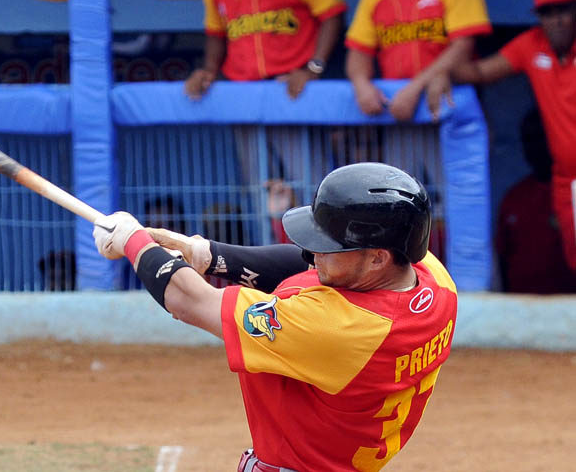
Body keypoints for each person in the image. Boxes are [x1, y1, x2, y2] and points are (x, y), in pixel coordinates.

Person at [93, 162, 458, 471]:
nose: (313, 251)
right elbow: (309, 268)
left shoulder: (335, 329)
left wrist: (134, 242)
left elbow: (189, 300)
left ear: (378, 257)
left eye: (328, 245)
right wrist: (208, 254)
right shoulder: (434, 281)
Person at [452, 0, 576, 275]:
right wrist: (453, 45)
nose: (556, 20)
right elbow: (476, 72)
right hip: (565, 178)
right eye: (547, 13)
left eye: (563, 10)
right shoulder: (532, 45)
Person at [345, 0, 491, 121]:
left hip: (451, 100)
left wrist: (415, 88)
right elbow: (359, 51)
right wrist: (361, 84)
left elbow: (462, 47)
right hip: (396, 103)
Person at [185, 0, 347, 100]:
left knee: (297, 142)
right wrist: (209, 71)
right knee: (252, 144)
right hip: (244, 89)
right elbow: (216, 32)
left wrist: (313, 69)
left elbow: (332, 15)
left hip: (293, 82)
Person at [495, 109, 576, 293]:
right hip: (519, 307)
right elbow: (502, 255)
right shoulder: (514, 197)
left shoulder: (570, 193)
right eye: (528, 140)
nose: (535, 147)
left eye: (541, 138)